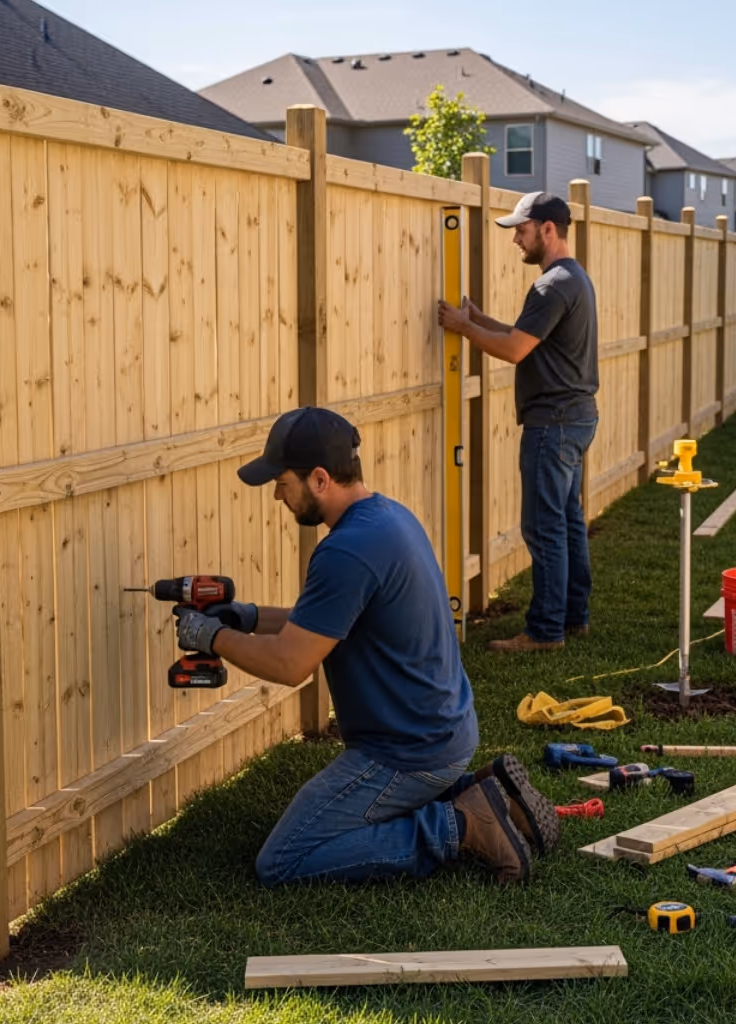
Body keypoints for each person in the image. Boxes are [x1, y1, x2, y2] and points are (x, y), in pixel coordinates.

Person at [173, 406, 559, 886]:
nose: (276, 495)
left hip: (407, 753)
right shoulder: (387, 518)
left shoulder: (346, 551)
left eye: (282, 482)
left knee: (283, 860)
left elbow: (291, 663)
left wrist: (210, 635)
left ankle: (461, 824)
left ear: (319, 479)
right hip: (445, 732)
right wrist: (246, 617)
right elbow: (325, 622)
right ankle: (483, 793)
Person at [437, 191, 598, 653]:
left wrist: (462, 328)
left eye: (521, 231)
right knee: (567, 522)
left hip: (553, 423)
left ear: (547, 229)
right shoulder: (574, 278)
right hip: (576, 417)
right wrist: (477, 318)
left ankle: (545, 631)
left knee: (544, 528)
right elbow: (523, 335)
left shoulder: (552, 285)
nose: (516, 241)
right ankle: (574, 617)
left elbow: (513, 350)